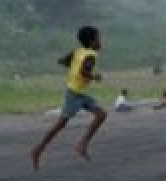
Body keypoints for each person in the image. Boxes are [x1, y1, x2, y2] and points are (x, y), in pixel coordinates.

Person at [30, 25, 108, 170]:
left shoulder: (78, 51)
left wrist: (73, 66)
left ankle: (82, 144)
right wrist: (94, 76)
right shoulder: (90, 55)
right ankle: (37, 150)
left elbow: (63, 61)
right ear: (92, 42)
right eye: (98, 39)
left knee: (101, 114)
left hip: (79, 92)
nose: (100, 42)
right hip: (74, 94)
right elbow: (84, 72)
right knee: (61, 124)